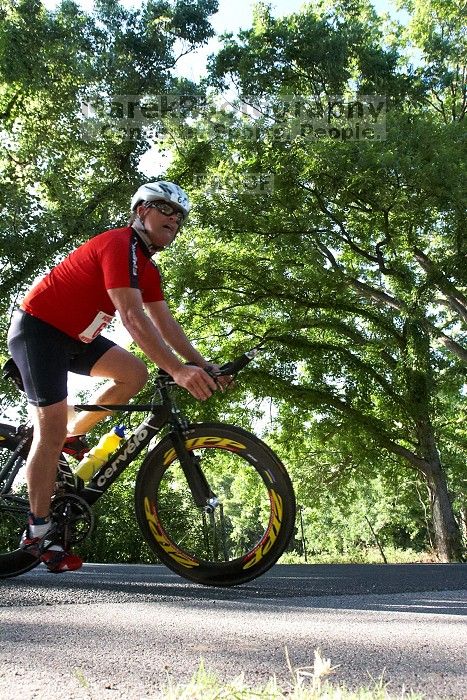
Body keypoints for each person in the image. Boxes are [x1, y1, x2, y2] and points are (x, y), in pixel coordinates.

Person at [7, 181, 220, 573]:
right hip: (38, 330)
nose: (175, 219)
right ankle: (36, 532)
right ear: (141, 212)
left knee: (133, 373)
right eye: (165, 209)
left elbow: (164, 322)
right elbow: (132, 316)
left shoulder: (146, 266)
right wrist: (176, 369)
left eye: (180, 216)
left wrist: (201, 364)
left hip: (74, 337)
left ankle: (73, 435)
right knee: (48, 430)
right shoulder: (120, 244)